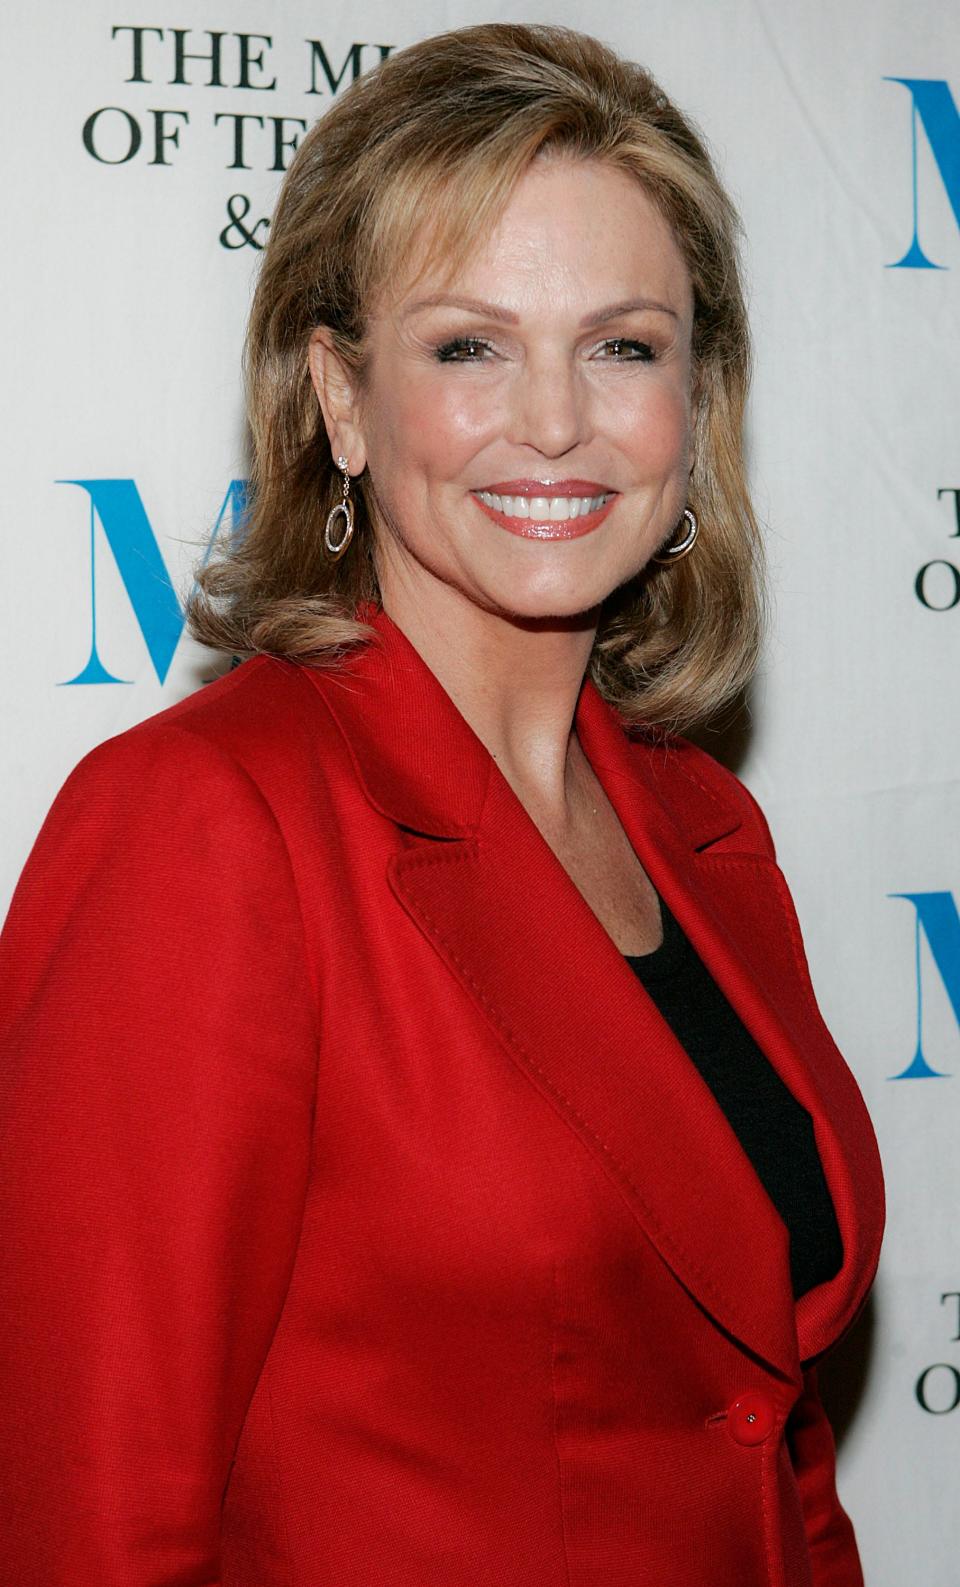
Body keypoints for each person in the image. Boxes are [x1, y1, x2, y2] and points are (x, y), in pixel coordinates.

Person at [0, 22, 884, 1587]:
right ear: (340, 398)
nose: (555, 421)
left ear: (698, 398)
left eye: (623, 345)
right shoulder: (209, 830)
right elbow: (83, 1518)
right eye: (468, 346)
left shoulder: (707, 834)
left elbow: (768, 1437)